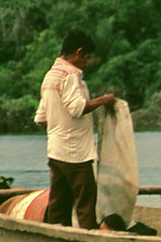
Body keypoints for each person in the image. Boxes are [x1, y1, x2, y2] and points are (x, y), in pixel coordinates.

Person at [34, 30, 116, 229]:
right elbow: (77, 108)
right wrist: (103, 100)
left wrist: (59, 127)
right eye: (86, 58)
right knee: (86, 202)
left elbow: (42, 119)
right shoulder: (70, 75)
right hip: (76, 154)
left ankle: (56, 236)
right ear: (78, 53)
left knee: (58, 203)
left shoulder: (50, 76)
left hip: (56, 151)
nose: (87, 63)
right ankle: (89, 241)